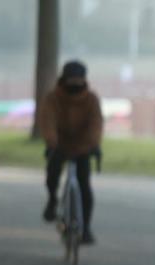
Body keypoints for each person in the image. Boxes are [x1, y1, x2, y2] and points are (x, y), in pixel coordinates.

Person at [38, 60, 103, 245]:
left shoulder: (91, 100)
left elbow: (96, 123)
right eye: (71, 80)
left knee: (84, 186)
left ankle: (86, 229)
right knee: (52, 174)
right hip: (59, 144)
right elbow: (47, 120)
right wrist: (51, 142)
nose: (75, 84)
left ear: (84, 80)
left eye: (78, 80)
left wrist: (93, 144)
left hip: (82, 146)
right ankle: (52, 200)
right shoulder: (53, 98)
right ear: (64, 79)